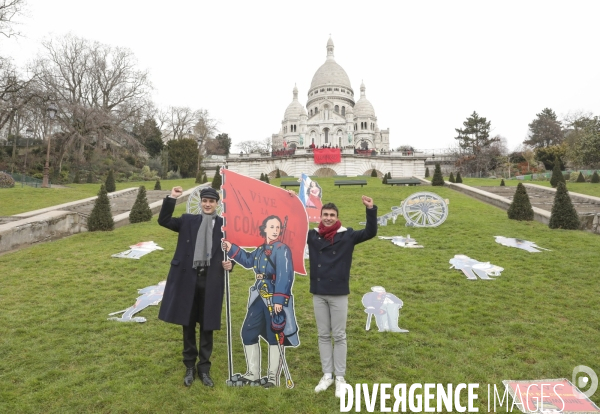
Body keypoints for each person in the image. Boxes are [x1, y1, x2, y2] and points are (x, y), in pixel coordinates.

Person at [158, 186, 233, 387]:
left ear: (217, 204)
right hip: (188, 280)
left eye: (212, 201)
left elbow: (231, 252)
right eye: (205, 201)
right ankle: (190, 366)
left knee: (207, 325)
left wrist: (230, 263)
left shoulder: (225, 226)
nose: (208, 204)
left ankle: (204, 368)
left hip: (211, 281)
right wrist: (172, 197)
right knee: (188, 324)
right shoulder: (188, 221)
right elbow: (163, 220)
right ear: (201, 202)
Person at [307, 196, 377, 397]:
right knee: (322, 335)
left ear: (337, 217)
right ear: (320, 216)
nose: (328, 218)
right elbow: (291, 230)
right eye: (325, 215)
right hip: (318, 292)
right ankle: (327, 375)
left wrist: (370, 209)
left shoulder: (347, 235)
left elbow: (371, 232)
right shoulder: (312, 235)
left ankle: (340, 377)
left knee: (338, 335)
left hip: (338, 292)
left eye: (332, 215)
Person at [222, 215, 299, 388]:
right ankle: (253, 374)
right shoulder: (260, 249)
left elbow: (285, 275)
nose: (275, 230)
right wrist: (231, 248)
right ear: (264, 229)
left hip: (274, 298)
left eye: (278, 228)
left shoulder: (282, 249)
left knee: (274, 336)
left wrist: (279, 299)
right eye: (271, 227)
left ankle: (272, 377)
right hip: (259, 296)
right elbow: (249, 261)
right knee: (248, 332)